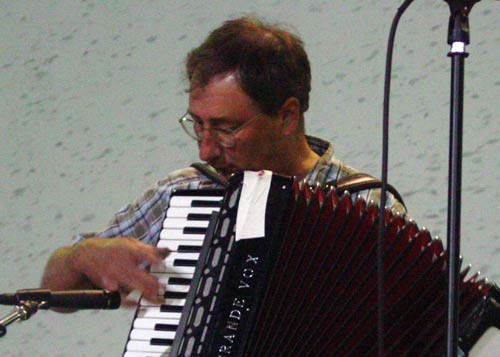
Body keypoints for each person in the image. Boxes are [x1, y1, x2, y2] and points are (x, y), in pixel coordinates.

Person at [41, 16, 406, 306]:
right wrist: (81, 256)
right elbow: (55, 294)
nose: (206, 151)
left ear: (286, 117)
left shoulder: (366, 205)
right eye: (197, 125)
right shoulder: (185, 192)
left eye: (226, 128)